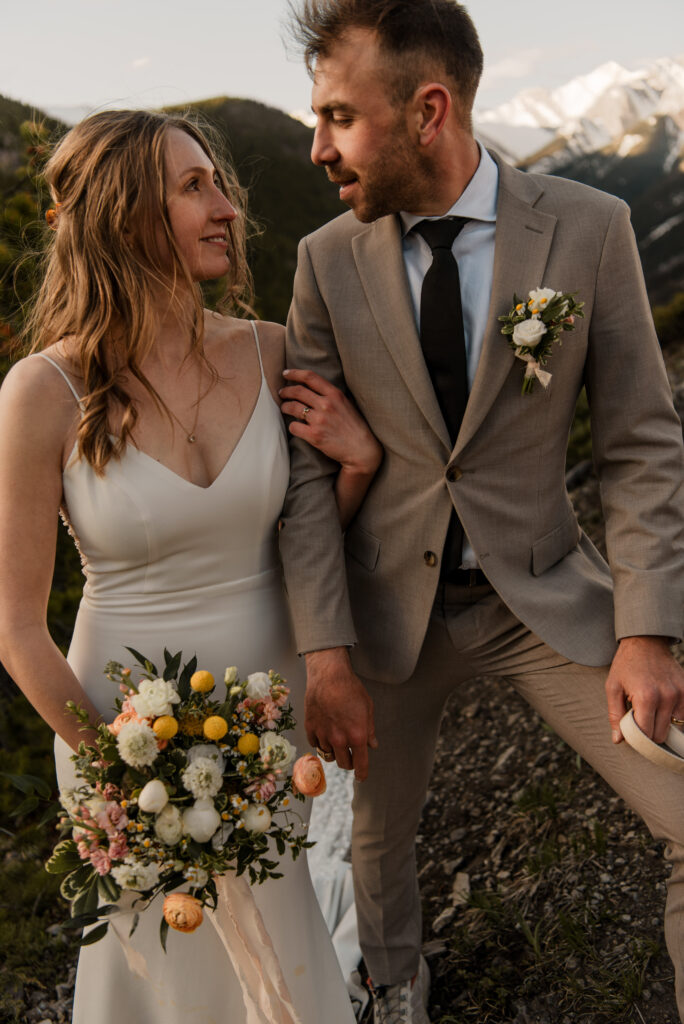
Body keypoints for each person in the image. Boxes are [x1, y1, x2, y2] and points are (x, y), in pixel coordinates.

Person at [278, 1, 684, 1021]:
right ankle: (398, 989)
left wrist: (647, 631)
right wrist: (325, 653)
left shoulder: (592, 230)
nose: (314, 145)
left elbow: (641, 441)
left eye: (336, 116)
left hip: (541, 595)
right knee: (378, 841)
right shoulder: (324, 261)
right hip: (384, 622)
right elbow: (299, 479)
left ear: (428, 110)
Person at [0, 109, 381, 1024]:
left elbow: (300, 541)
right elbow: (15, 629)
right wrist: (121, 783)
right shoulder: (42, 393)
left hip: (267, 724)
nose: (226, 210)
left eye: (220, 185)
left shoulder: (274, 350)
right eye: (193, 187)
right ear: (126, 215)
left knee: (285, 961)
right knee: (166, 984)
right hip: (119, 736)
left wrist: (358, 468)